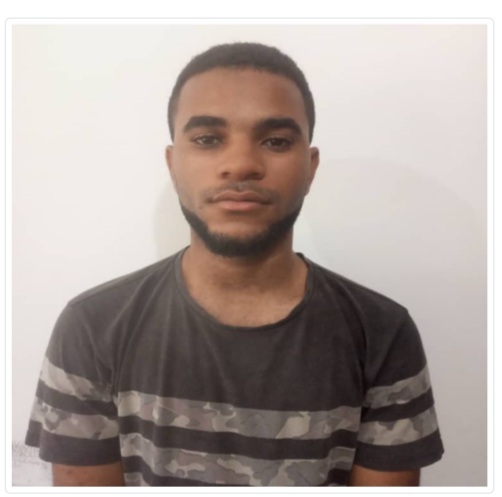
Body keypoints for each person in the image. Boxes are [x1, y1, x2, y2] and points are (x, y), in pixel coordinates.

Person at [25, 42, 444, 486]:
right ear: (173, 163)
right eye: (208, 139)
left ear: (310, 167)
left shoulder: (382, 334)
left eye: (276, 141)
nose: (241, 164)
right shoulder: (91, 328)